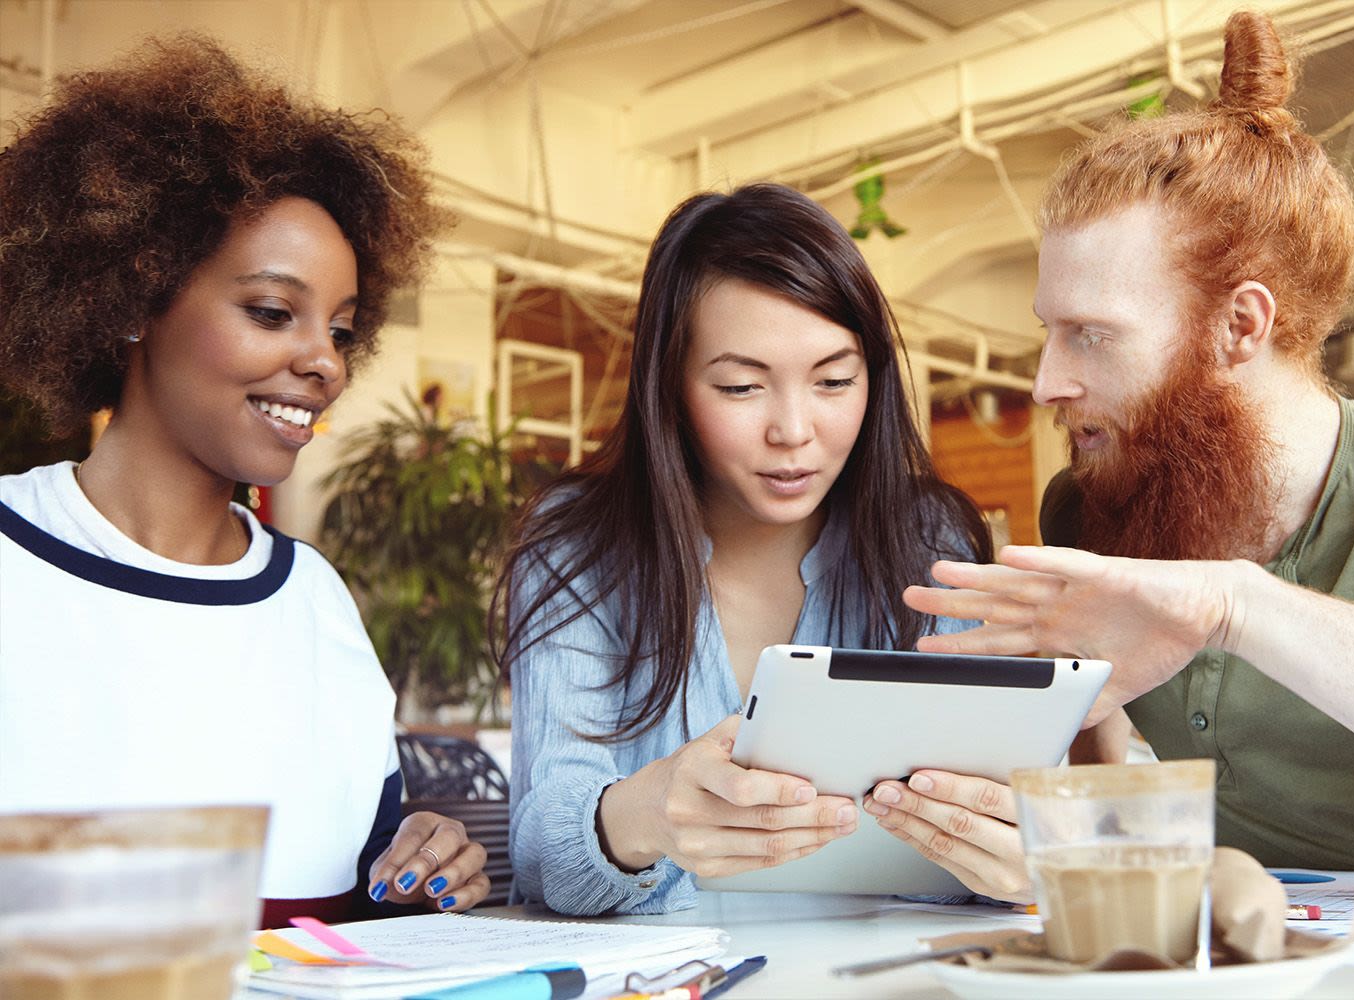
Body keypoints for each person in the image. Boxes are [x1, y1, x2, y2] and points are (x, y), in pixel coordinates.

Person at [864, 9, 1354, 894]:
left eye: (1091, 336)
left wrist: (1232, 605)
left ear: (1240, 326)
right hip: (1216, 941)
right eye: (1050, 332)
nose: (1046, 383)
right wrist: (1052, 842)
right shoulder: (1093, 502)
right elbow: (1093, 771)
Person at [0, 36, 491, 925]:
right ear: (134, 298)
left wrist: (421, 863)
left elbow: (360, 906)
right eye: (273, 312)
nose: (325, 365)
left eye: (341, 331)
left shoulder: (315, 601)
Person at [496, 183, 994, 916]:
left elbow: (983, 854)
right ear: (669, 387)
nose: (793, 430)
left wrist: (1011, 859)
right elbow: (543, 856)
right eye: (740, 387)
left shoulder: (931, 545)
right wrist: (647, 812)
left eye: (833, 381)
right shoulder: (579, 547)